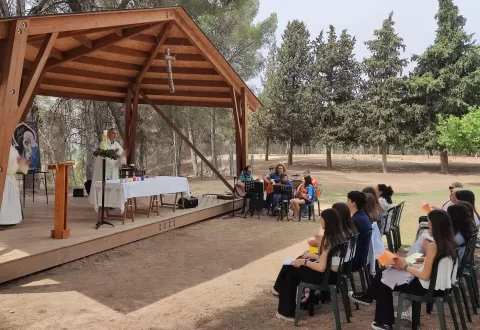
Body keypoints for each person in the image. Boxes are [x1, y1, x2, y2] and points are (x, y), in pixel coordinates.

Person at [349, 209, 458, 330]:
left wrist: (405, 266)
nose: (428, 226)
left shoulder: (433, 245)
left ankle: (381, 318)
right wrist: (414, 261)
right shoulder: (450, 242)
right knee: (385, 275)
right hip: (440, 286)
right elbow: (436, 262)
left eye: (429, 222)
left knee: (384, 279)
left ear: (436, 225)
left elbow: (425, 276)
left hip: (426, 288)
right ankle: (378, 313)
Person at [274, 208, 348, 322]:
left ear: (327, 222)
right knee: (292, 266)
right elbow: (330, 259)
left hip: (324, 278)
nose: (320, 221)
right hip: (334, 275)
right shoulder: (340, 236)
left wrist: (304, 262)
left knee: (291, 268)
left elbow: (321, 267)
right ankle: (282, 301)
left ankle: (284, 306)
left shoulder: (327, 241)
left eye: (322, 219)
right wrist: (313, 256)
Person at [89, 128, 128, 206]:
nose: (115, 135)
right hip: (104, 169)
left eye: (116, 134)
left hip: (113, 169)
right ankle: (101, 203)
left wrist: (123, 156)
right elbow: (103, 155)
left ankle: (111, 204)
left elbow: (121, 156)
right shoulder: (103, 143)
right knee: (103, 187)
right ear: (108, 134)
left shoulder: (117, 144)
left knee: (112, 187)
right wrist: (113, 153)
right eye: (113, 133)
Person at [0, 145, 29, 226]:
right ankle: (4, 220)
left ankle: (9, 219)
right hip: (3, 177)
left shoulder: (11, 148)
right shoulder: (7, 146)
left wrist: (23, 163)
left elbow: (19, 161)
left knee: (8, 199)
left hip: (9, 178)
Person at [347, 191, 372, 272]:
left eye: (348, 200)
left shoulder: (355, 221)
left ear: (353, 203)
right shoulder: (363, 216)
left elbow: (347, 242)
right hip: (362, 256)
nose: (346, 203)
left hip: (354, 260)